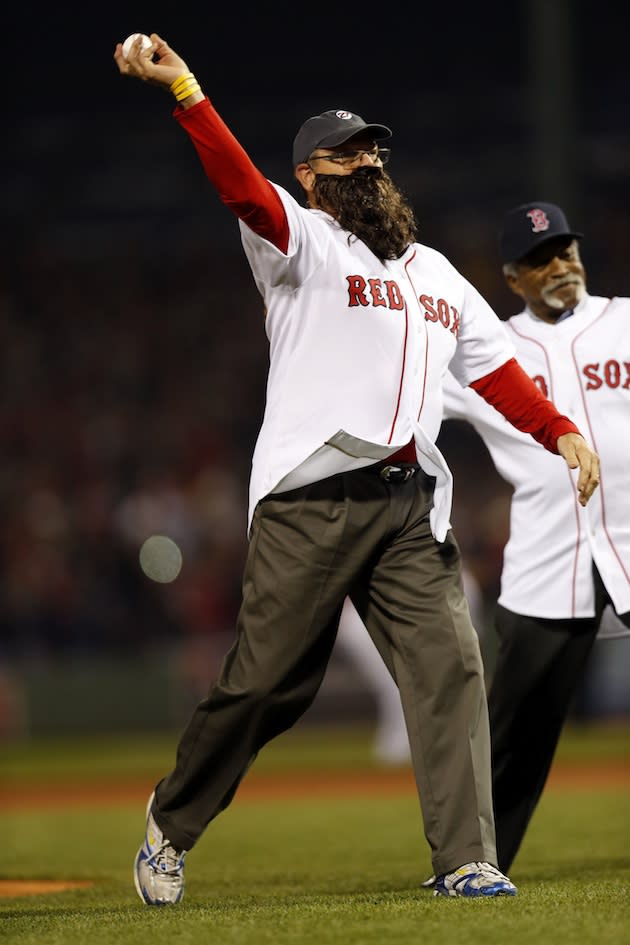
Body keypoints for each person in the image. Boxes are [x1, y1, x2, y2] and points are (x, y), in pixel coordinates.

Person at [114, 35, 599, 904]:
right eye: (346, 152)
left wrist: (560, 428)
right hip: (310, 500)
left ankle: (466, 857)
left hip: (408, 507)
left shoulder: (437, 273)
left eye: (373, 148)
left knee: (451, 666)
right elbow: (239, 188)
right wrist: (185, 89)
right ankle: (172, 817)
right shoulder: (299, 242)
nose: (367, 160)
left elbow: (494, 371)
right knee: (266, 686)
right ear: (310, 174)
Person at [436, 201, 630, 876]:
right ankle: (475, 861)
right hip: (547, 559)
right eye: (542, 258)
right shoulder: (486, 351)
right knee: (516, 729)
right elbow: (399, 386)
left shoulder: (626, 320)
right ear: (514, 277)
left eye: (566, 250)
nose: (561, 264)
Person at [335, 566, 485, 766]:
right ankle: (411, 738)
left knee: (438, 683)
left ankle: (439, 739)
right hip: (394, 591)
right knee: (399, 685)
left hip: (437, 583)